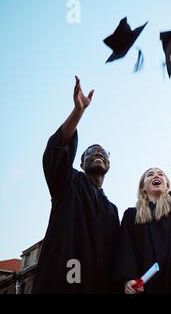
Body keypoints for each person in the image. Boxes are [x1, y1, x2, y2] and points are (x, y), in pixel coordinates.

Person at [33, 76, 120, 293]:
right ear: (80, 163)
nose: (97, 153)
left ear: (109, 165)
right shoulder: (68, 182)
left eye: (102, 153)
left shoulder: (112, 211)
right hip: (60, 284)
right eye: (91, 152)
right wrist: (78, 112)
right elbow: (58, 148)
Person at [115, 102, 171, 294]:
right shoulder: (131, 215)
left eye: (160, 174)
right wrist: (127, 280)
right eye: (150, 174)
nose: (156, 176)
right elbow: (125, 250)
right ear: (143, 187)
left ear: (168, 185)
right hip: (142, 287)